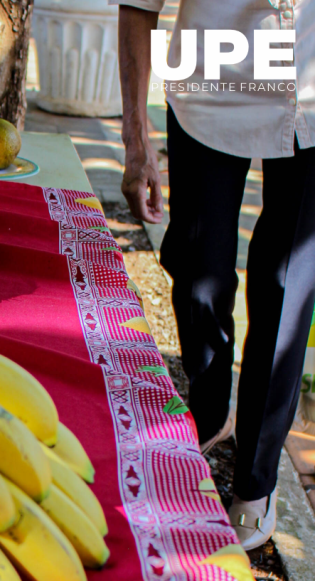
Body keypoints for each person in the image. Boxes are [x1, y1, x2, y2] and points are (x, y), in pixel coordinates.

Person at [113, 0, 315, 549]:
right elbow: (138, 7)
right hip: (211, 93)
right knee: (200, 278)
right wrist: (137, 141)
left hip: (312, 100)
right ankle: (207, 414)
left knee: (286, 288)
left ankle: (255, 481)